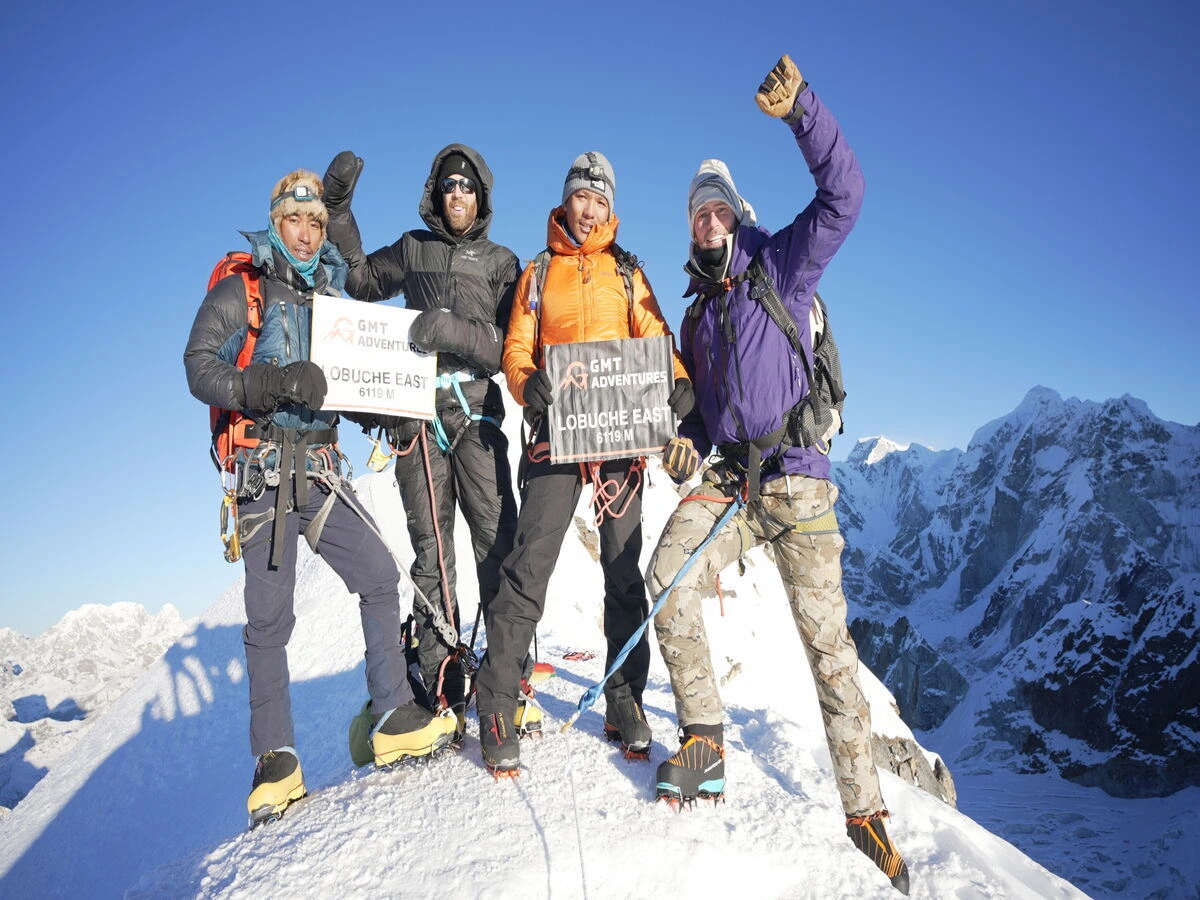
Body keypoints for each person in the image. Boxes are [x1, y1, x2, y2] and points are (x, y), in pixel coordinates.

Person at [645, 56, 910, 894]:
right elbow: (704, 413)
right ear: (690, 230)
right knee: (668, 577)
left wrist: (804, 113)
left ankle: (864, 813)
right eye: (699, 215)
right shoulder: (694, 319)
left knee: (828, 651)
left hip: (797, 480)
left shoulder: (781, 269)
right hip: (734, 483)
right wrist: (683, 439)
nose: (710, 222)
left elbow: (847, 196)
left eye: (720, 209)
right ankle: (704, 743)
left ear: (739, 216)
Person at [184, 169, 456, 827]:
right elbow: (199, 367)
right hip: (265, 479)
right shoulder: (240, 291)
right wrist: (268, 382)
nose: (306, 234)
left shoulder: (330, 299)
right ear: (275, 222)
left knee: (378, 576)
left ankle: (391, 714)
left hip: (324, 475)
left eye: (315, 223)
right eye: (294, 222)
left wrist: (388, 414)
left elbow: (344, 387)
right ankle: (274, 763)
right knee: (270, 623)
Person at [472, 151, 694, 776]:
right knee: (528, 568)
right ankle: (497, 701)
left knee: (624, 575)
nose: (590, 208)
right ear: (566, 200)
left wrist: (677, 382)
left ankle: (624, 700)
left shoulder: (629, 274)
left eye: (600, 199)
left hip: (620, 442)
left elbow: (657, 338)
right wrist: (529, 383)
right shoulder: (539, 273)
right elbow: (518, 346)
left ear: (610, 206)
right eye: (581, 197)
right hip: (555, 440)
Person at [322, 145, 527, 737]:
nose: (456, 193)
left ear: (481, 195)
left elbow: (515, 345)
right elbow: (360, 283)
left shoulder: (502, 263)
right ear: (436, 194)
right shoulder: (413, 249)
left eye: (466, 185)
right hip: (415, 413)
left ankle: (507, 673)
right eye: (447, 184)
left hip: (477, 411)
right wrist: (338, 211)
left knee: (495, 539)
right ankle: (442, 677)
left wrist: (458, 332)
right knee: (431, 551)